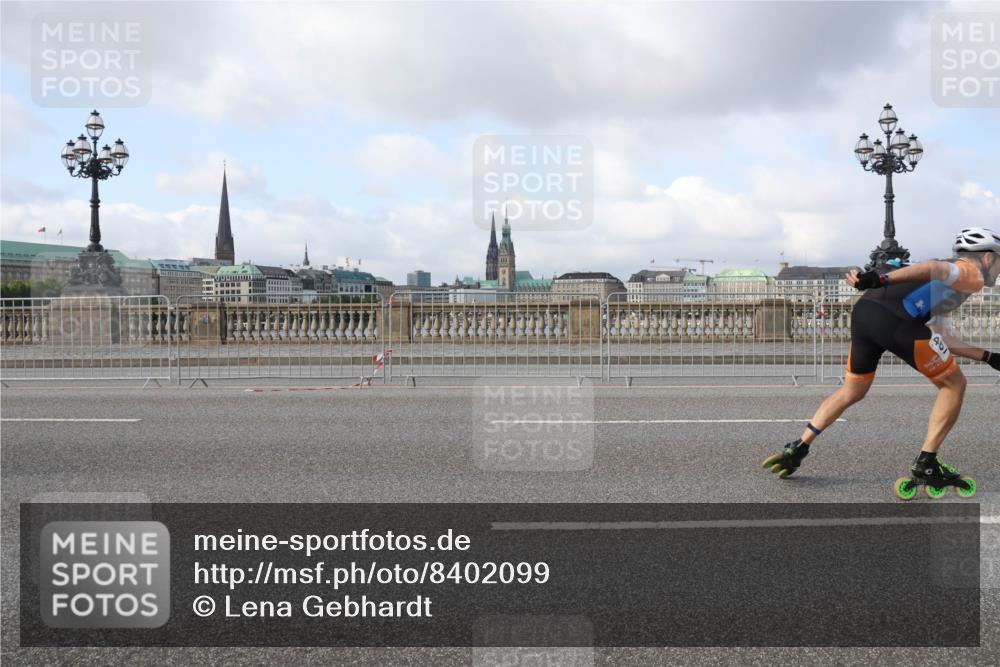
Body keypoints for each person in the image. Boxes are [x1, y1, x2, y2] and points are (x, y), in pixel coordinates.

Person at [762, 227, 1000, 499]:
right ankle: (927, 462)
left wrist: (989, 357)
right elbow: (937, 267)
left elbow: (942, 335)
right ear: (989, 257)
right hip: (896, 319)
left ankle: (798, 448)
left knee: (852, 390)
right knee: (954, 385)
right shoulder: (971, 274)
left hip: (866, 315)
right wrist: (880, 279)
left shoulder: (947, 291)